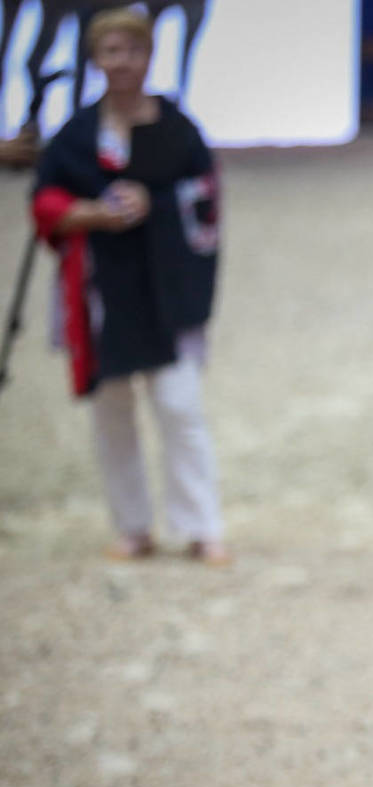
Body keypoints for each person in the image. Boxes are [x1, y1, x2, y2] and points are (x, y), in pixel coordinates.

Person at [32, 6, 226, 563]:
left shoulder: (176, 128)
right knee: (112, 411)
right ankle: (133, 525)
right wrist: (87, 213)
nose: (122, 62)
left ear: (148, 57)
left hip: (164, 288)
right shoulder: (75, 134)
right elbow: (46, 199)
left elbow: (206, 194)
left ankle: (201, 526)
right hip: (103, 293)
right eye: (111, 52)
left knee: (179, 406)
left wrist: (155, 203)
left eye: (132, 51)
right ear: (96, 61)